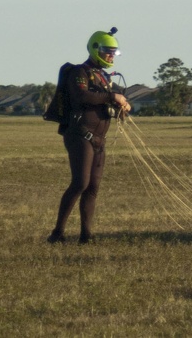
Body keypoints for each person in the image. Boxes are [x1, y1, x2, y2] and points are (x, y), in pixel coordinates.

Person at [47, 28, 130, 244]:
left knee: (93, 188)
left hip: (99, 140)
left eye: (114, 52)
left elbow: (106, 99)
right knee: (80, 183)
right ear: (95, 50)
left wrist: (122, 104)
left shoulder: (104, 78)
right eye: (107, 51)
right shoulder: (80, 73)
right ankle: (57, 233)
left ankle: (86, 236)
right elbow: (82, 95)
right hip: (80, 135)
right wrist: (112, 96)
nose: (111, 56)